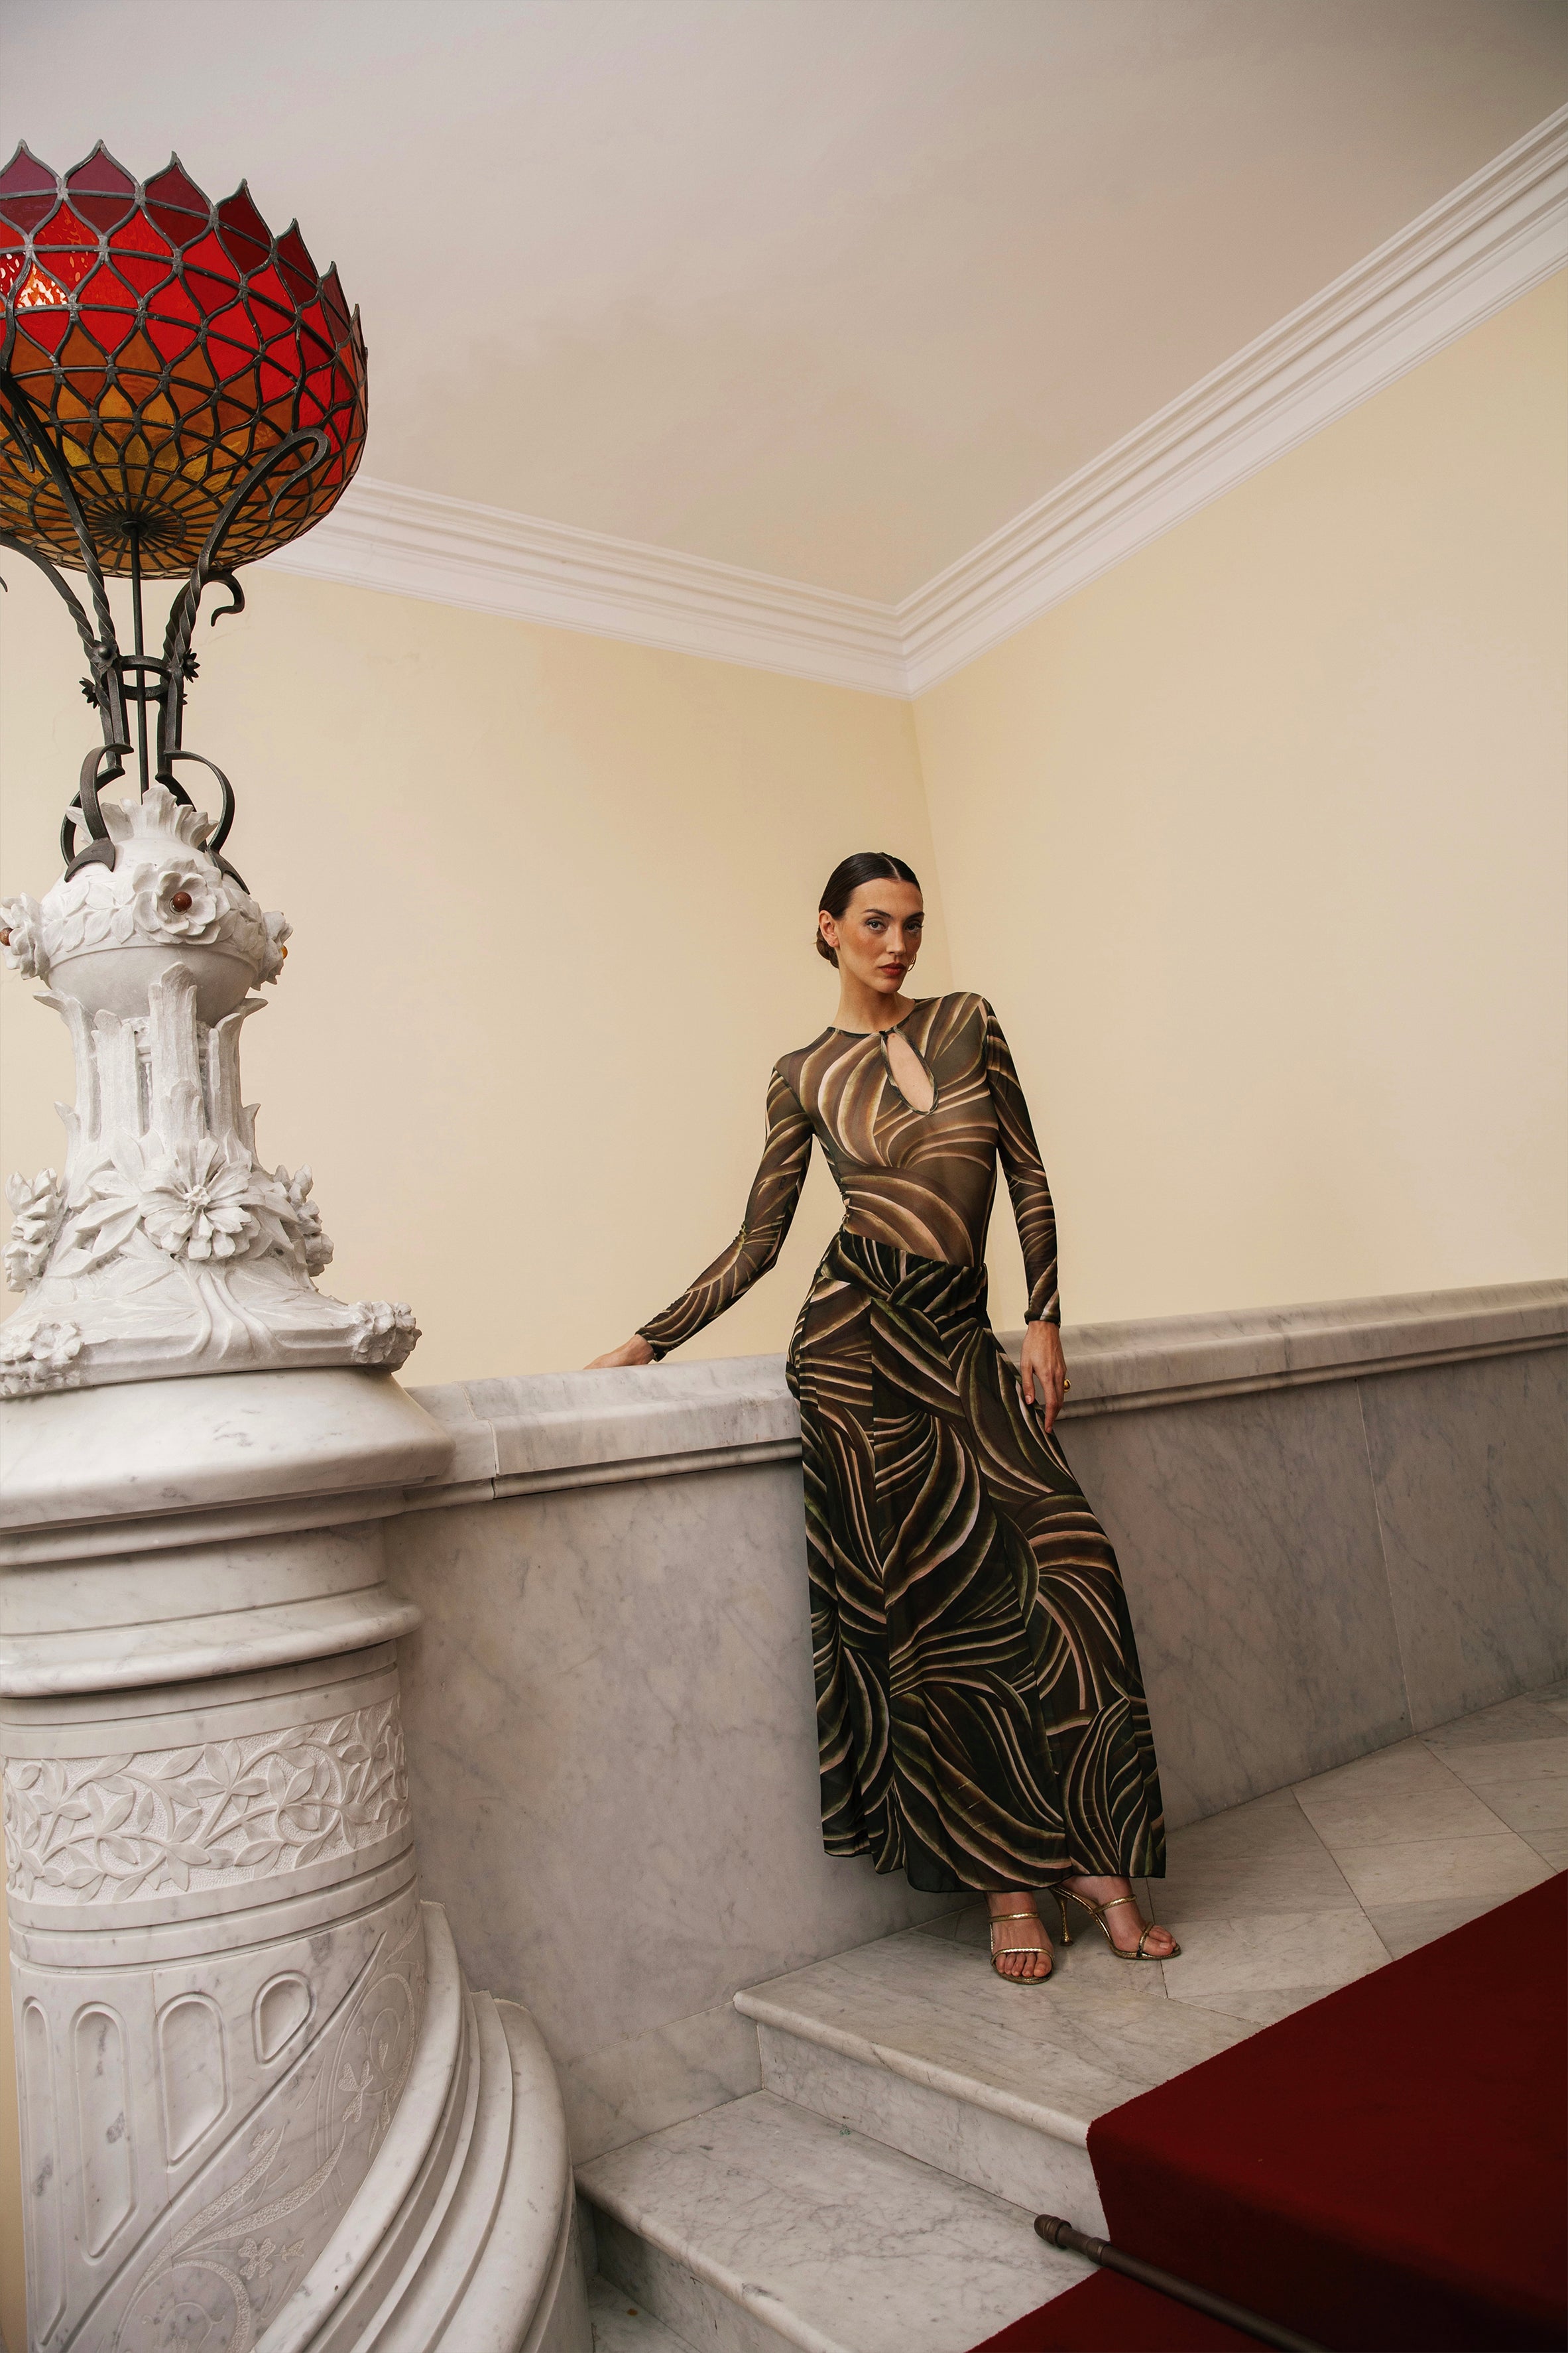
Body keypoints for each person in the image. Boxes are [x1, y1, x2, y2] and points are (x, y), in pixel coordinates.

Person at [590, 852, 1176, 1982]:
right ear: (827, 929)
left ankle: (1094, 1857)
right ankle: (1010, 1886)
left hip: (958, 1338)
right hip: (854, 1349)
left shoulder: (968, 1022)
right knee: (940, 1620)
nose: (897, 944)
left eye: (911, 923)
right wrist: (647, 1341)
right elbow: (760, 1240)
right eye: (874, 923)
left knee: (1073, 1564)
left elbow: (1026, 1175)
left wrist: (1042, 1318)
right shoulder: (801, 1074)